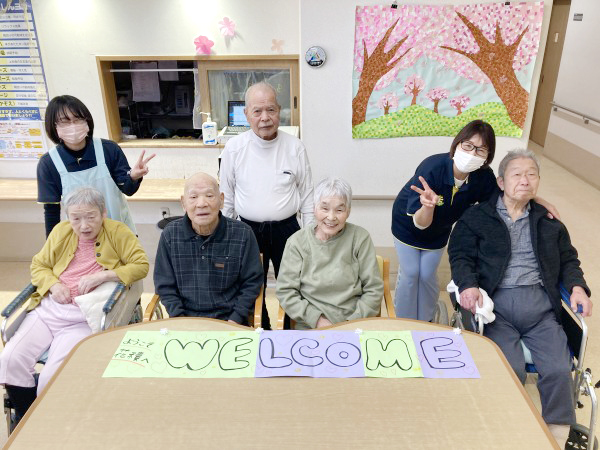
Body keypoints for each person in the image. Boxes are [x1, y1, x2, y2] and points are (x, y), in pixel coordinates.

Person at [448, 149, 592, 447]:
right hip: (497, 309)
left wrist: (577, 288)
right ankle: (503, 428)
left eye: (531, 174)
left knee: (558, 369)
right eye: (517, 174)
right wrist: (468, 285)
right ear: (501, 182)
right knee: (507, 366)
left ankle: (556, 436)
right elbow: (460, 254)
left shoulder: (549, 222)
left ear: (538, 181)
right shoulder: (477, 217)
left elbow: (568, 260)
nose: (525, 180)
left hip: (541, 309)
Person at [0, 187, 149, 425]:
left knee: (51, 377)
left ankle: (50, 422)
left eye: (90, 217)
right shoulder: (61, 232)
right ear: (67, 217)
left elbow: (141, 265)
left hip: (82, 318)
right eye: (76, 218)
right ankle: (28, 419)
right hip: (48, 310)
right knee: (10, 358)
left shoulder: (118, 232)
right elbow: (39, 266)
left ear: (103, 213)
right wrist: (52, 284)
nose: (84, 225)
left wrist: (104, 276)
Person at [391, 120, 558, 321]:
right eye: (468, 145)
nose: (472, 153)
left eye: (480, 150)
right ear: (456, 145)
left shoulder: (483, 177)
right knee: (411, 274)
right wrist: (428, 206)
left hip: (439, 231)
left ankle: (426, 320)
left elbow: (504, 197)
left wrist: (535, 199)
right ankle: (404, 320)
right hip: (409, 225)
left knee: (426, 275)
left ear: (488, 156)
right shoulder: (432, 167)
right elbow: (420, 223)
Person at [220, 81, 314, 329]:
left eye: (271, 110)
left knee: (295, 284)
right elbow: (226, 195)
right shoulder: (234, 148)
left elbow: (307, 195)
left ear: (280, 110)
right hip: (247, 230)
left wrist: (311, 236)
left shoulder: (295, 146)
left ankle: (291, 332)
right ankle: (263, 331)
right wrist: (226, 233)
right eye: (257, 111)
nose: (265, 118)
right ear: (246, 114)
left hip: (288, 229)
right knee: (251, 285)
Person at [37, 95, 155, 237]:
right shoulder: (49, 163)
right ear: (53, 127)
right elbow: (51, 210)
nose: (73, 125)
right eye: (65, 122)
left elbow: (128, 190)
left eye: (78, 119)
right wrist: (53, 247)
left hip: (120, 232)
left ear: (87, 121)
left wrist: (134, 177)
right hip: (82, 236)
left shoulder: (108, 149)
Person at [154, 172, 263, 323]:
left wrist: (235, 319)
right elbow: (165, 286)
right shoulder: (170, 235)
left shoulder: (243, 233)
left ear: (222, 200)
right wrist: (180, 320)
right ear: (183, 203)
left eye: (209, 195)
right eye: (193, 197)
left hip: (230, 320)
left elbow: (252, 283)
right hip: (185, 320)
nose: (201, 203)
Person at [276, 177, 383, 329]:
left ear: (348, 212)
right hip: (310, 326)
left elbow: (373, 289)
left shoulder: (360, 238)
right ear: (314, 208)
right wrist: (318, 321)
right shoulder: (297, 242)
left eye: (339, 210)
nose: (331, 217)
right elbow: (286, 291)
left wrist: (351, 323)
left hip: (354, 324)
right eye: (324, 208)